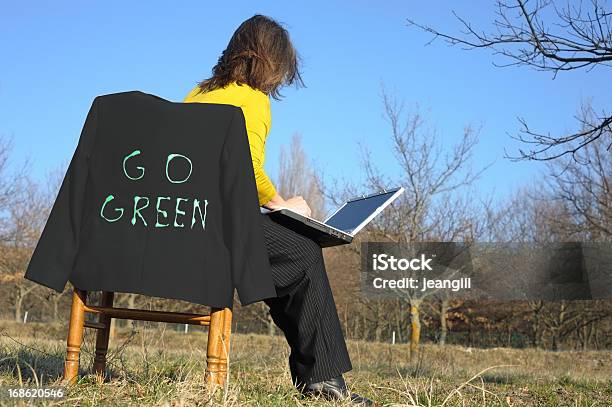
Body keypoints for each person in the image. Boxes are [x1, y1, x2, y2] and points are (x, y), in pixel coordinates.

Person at [183, 15, 375, 406]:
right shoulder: (252, 100)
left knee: (284, 250)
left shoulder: (196, 94)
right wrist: (281, 203)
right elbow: (246, 169)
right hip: (217, 230)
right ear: (272, 62)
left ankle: (317, 375)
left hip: (181, 223)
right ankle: (322, 381)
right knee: (303, 252)